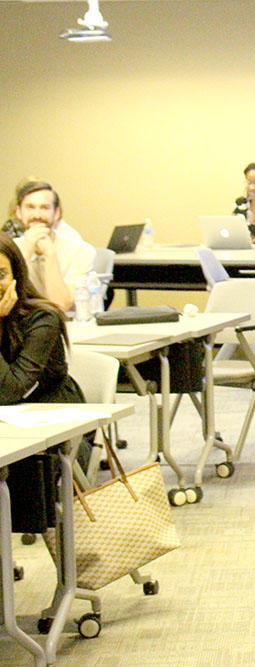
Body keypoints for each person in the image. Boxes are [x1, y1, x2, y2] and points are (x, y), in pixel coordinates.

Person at [0, 232, 88, 534]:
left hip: (52, 424)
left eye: (1, 274)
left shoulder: (42, 318)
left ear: (17, 275)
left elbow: (8, 392)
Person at [13, 181, 96, 312]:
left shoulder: (81, 252)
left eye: (44, 208)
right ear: (18, 212)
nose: (37, 215)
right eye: (30, 207)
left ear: (57, 213)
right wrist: (26, 252)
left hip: (64, 322)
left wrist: (50, 254)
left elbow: (60, 306)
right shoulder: (9, 248)